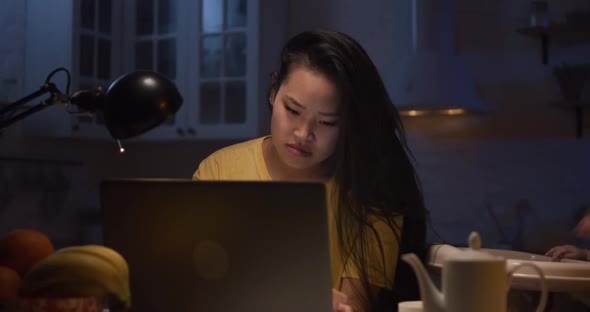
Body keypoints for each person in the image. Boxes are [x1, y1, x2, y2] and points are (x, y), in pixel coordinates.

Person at [193, 29, 428, 312]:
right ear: (273, 91)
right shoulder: (219, 171)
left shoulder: (371, 192)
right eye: (292, 110)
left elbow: (355, 306)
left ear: (348, 125)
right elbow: (198, 289)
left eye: (326, 123)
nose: (303, 134)